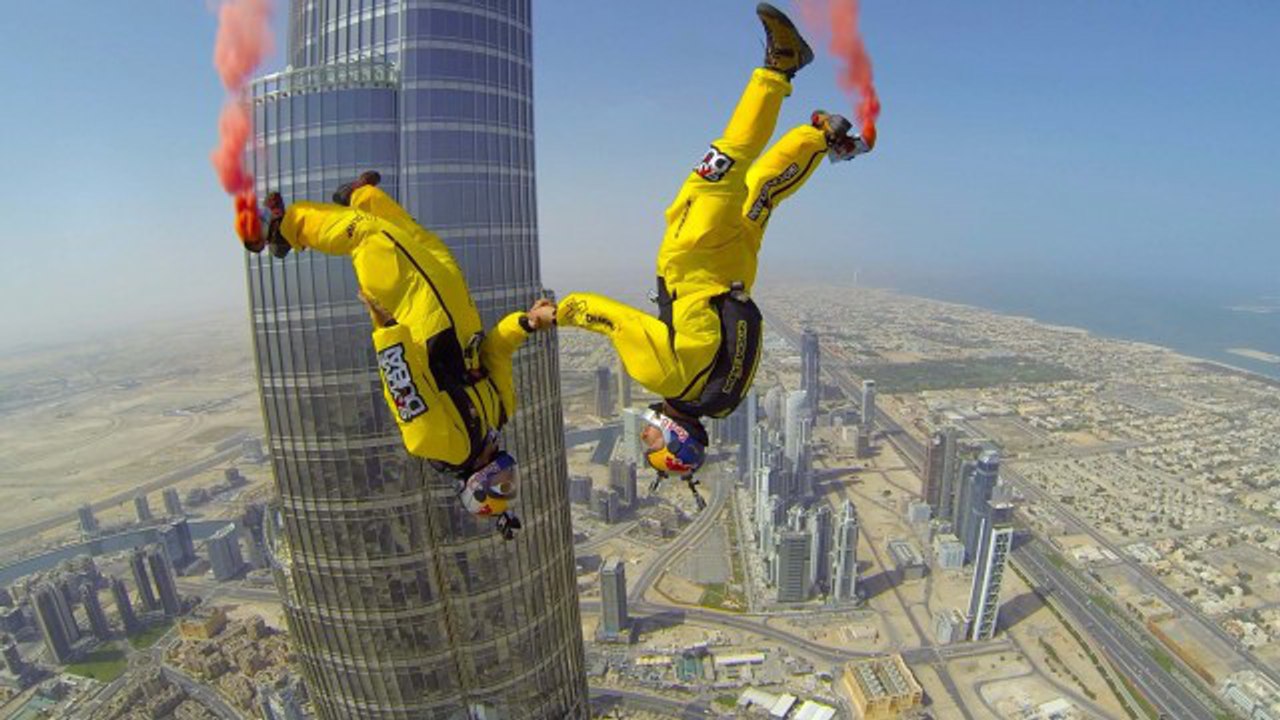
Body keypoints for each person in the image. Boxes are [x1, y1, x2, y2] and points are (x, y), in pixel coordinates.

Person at [556, 3, 873, 505]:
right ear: (676, 435)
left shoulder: (723, 402)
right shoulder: (660, 376)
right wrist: (556, 314)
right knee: (724, 162)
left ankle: (823, 139)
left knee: (763, 191)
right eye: (654, 441)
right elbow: (610, 318)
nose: (647, 433)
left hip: (737, 273)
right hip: (693, 257)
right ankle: (780, 68)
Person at [237, 172, 556, 539]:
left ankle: (284, 228)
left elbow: (402, 389)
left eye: (499, 486)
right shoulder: (500, 413)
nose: (506, 475)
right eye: (510, 483)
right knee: (420, 239)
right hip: (455, 307)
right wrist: (528, 323)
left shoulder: (443, 445)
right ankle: (361, 195)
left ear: (475, 486)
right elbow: (496, 352)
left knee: (371, 236)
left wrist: (387, 330)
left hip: (417, 315)